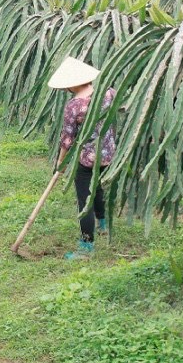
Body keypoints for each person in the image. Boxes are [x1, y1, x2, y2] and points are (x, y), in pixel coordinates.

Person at [49, 56, 116, 259]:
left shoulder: (74, 106)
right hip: (109, 154)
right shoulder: (109, 92)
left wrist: (60, 162)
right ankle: (102, 223)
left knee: (84, 199)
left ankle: (86, 247)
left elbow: (67, 139)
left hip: (87, 158)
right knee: (98, 188)